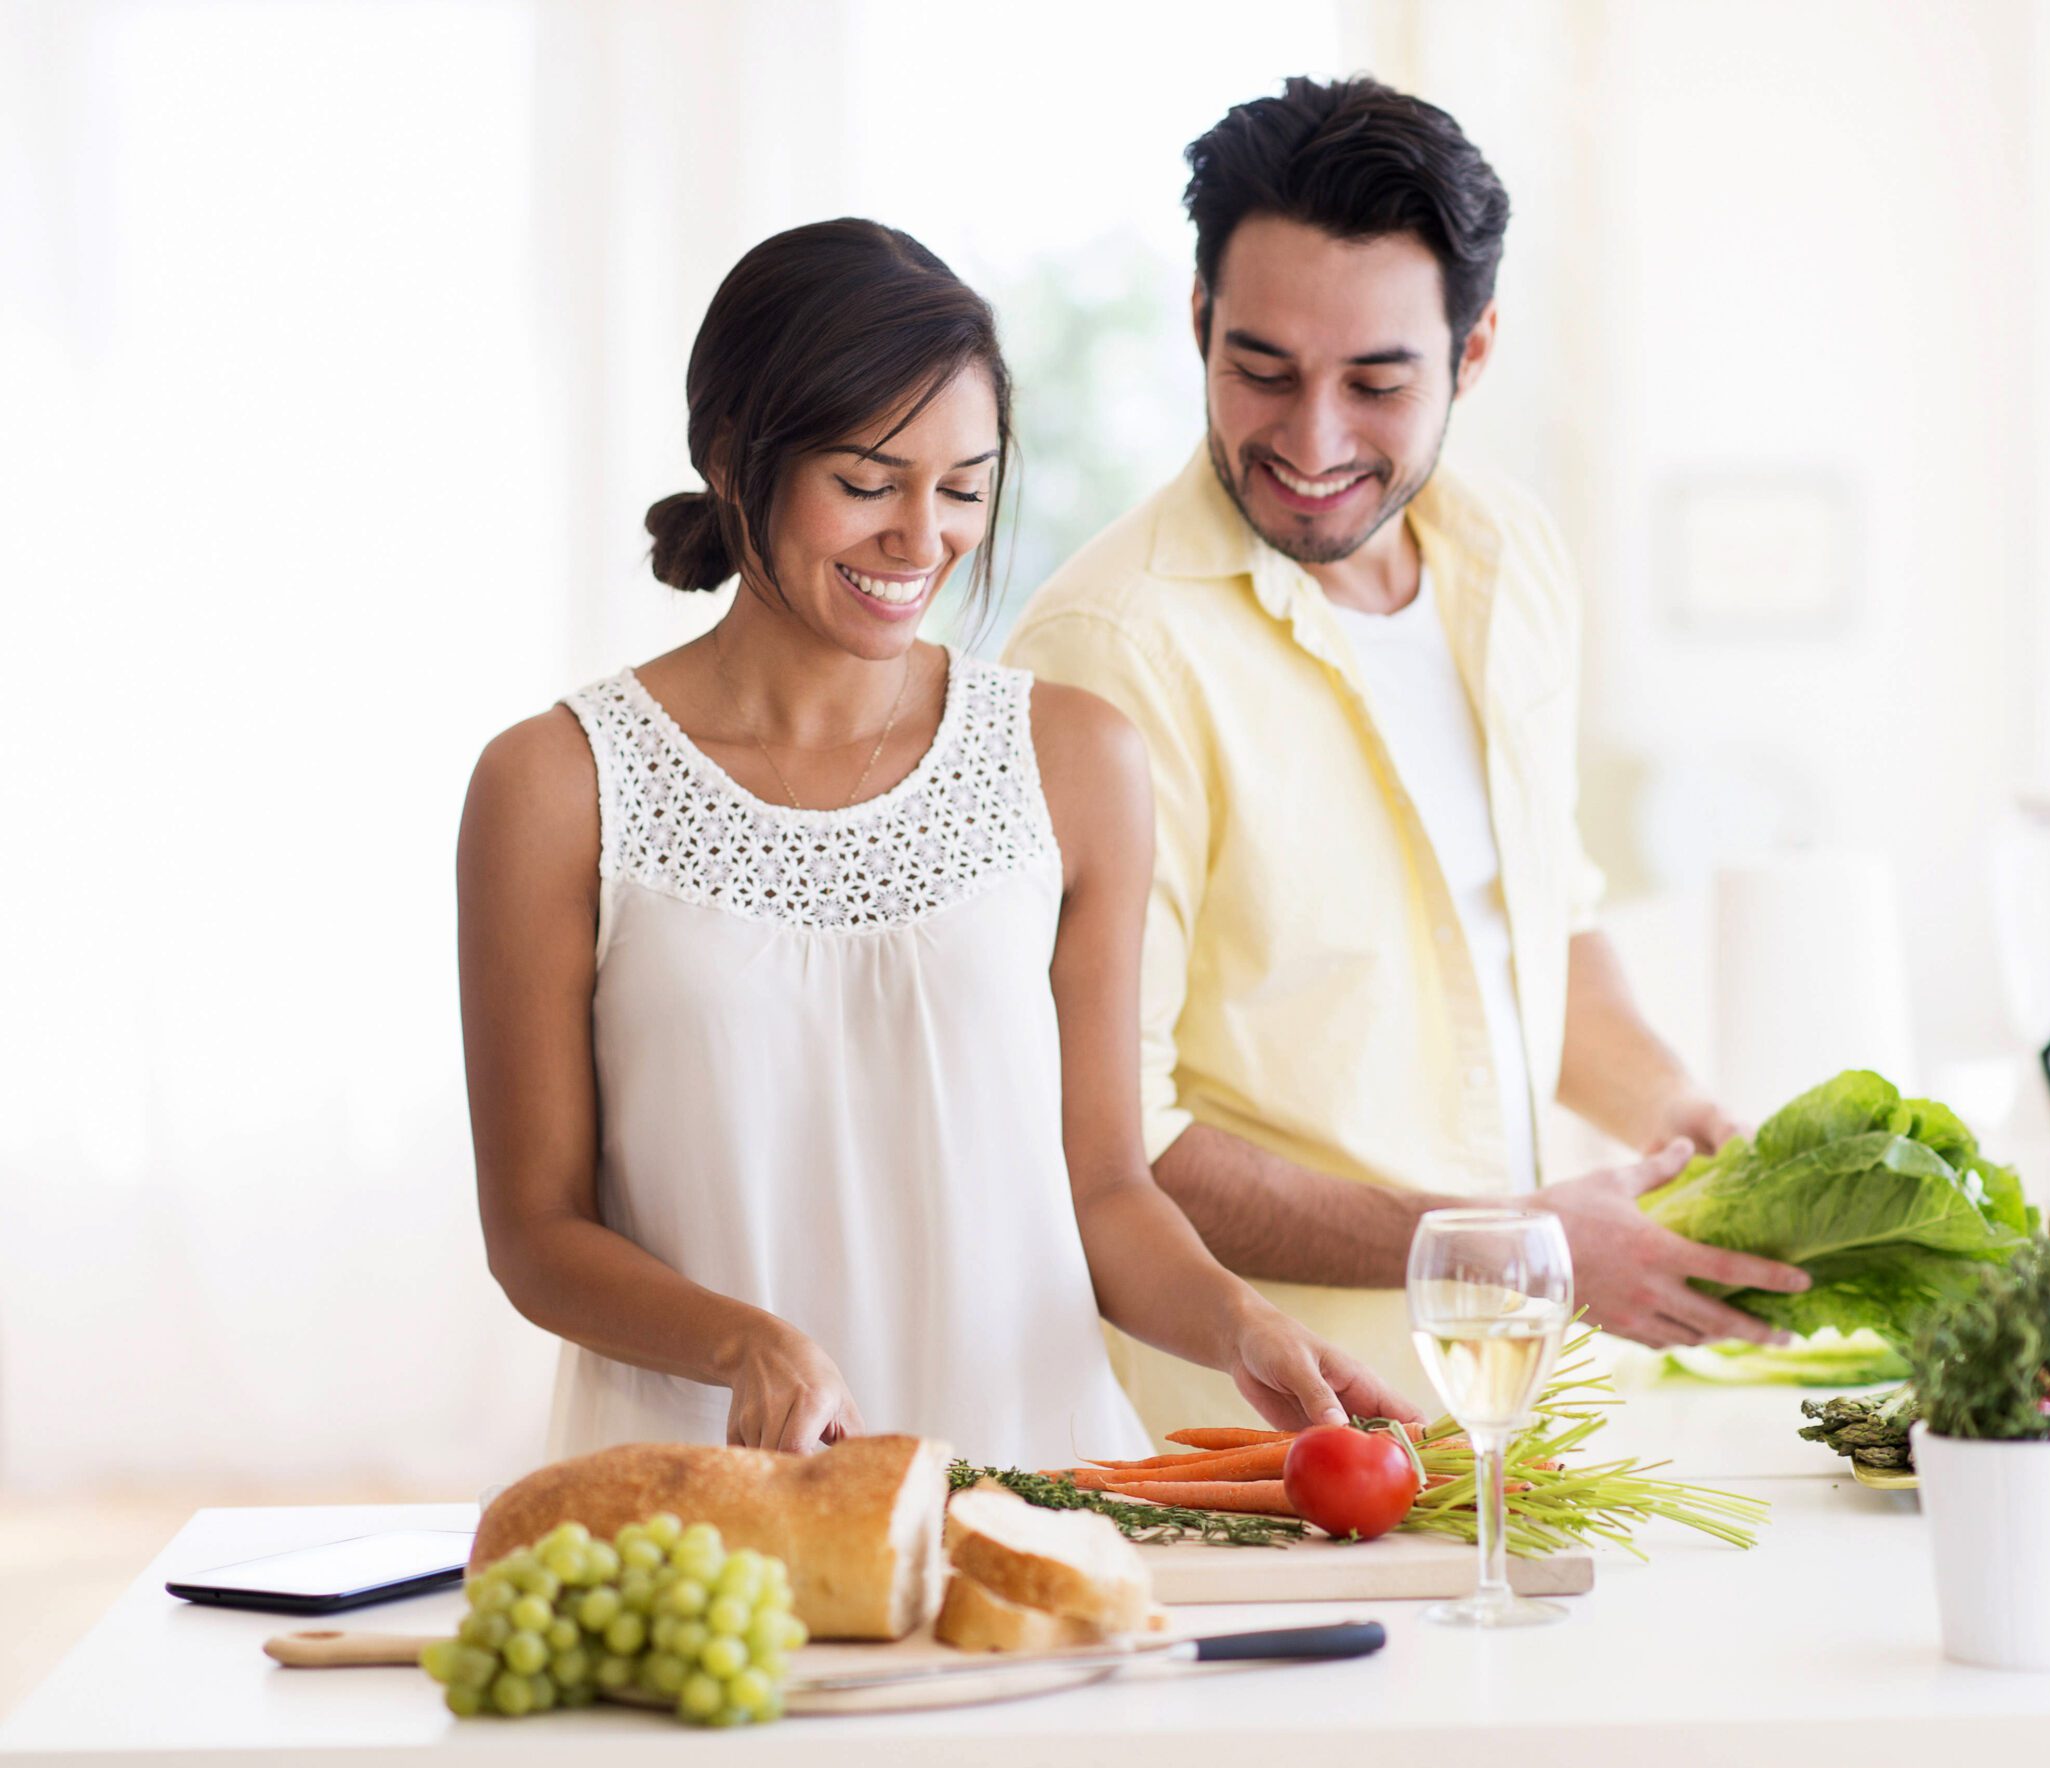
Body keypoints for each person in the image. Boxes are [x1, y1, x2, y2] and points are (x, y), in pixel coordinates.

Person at [458, 218, 1410, 1466]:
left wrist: (1235, 1323)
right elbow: (537, 1230)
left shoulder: (1074, 759)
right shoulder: (555, 785)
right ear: (732, 456)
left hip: (1033, 1484)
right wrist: (743, 1341)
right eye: (866, 483)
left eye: (964, 487)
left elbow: (1106, 1189)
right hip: (707, 1498)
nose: (922, 539)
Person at [1004, 79, 1809, 1435]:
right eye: (1260, 369)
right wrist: (1515, 1241)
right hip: (1273, 1449)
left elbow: (1543, 920)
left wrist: (1675, 1105)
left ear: (1473, 350)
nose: (1311, 443)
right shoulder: (1109, 650)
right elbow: (1112, 1147)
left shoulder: (1512, 555)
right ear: (1198, 320)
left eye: (1377, 381)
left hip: (1537, 1416)